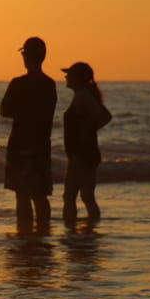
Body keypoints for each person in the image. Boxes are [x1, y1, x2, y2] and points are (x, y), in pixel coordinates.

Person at [1, 37, 57, 235]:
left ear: (26, 56)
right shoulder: (50, 84)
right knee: (40, 195)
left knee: (22, 195)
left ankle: (24, 232)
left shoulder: (18, 83)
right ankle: (43, 231)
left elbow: (5, 110)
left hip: (19, 144)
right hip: (41, 144)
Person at [61, 62, 112, 226]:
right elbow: (104, 115)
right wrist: (90, 129)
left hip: (81, 154)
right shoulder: (83, 95)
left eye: (70, 74)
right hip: (86, 153)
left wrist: (86, 130)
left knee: (69, 195)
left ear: (79, 78)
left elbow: (102, 115)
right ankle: (91, 229)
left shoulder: (82, 96)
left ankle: (71, 230)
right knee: (86, 196)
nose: (66, 76)